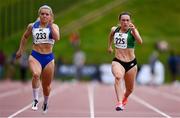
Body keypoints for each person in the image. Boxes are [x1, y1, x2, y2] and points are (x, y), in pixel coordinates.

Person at [16, 5, 60, 113]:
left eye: (47, 14)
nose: (44, 16)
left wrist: (50, 25)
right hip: (35, 56)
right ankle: (35, 100)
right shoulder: (32, 26)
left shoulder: (54, 26)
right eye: (42, 14)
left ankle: (45, 103)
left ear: (50, 16)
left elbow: (57, 38)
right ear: (39, 15)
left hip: (49, 58)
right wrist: (21, 50)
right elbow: (25, 37)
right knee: (36, 74)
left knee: (46, 86)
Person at [108, 12, 142, 111]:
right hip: (118, 61)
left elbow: (140, 41)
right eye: (123, 20)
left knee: (130, 89)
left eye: (127, 20)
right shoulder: (115, 30)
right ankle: (119, 103)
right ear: (120, 21)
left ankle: (125, 97)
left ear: (130, 21)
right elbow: (110, 36)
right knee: (118, 77)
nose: (125, 22)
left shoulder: (132, 31)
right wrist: (109, 46)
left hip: (131, 63)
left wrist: (134, 31)